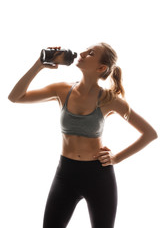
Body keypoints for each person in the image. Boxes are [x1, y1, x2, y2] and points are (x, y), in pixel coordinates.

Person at [8, 42, 158, 228]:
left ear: (101, 67)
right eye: (86, 50)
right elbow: (15, 97)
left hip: (99, 177)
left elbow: (150, 134)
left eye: (91, 53)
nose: (82, 53)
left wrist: (117, 158)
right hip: (66, 174)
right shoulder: (62, 90)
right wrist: (39, 64)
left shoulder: (109, 99)